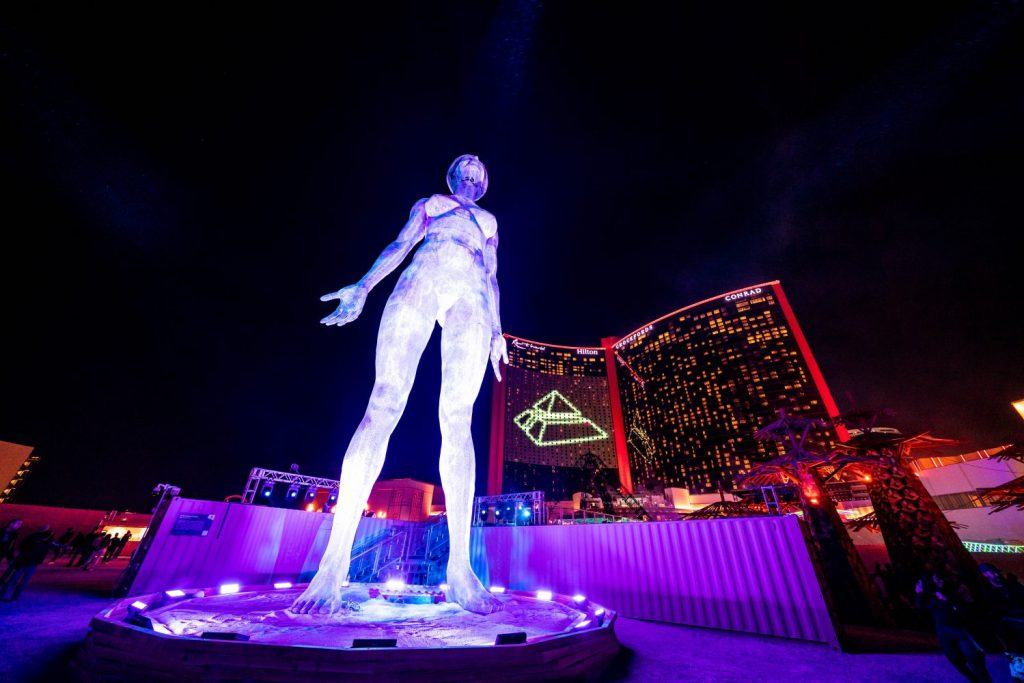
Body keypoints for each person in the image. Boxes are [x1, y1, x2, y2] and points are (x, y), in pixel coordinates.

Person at [292, 155, 506, 615]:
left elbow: (492, 277)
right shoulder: (429, 203)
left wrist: (496, 332)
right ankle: (333, 564)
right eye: (463, 168)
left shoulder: (488, 221)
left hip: (470, 299)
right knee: (384, 403)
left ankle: (460, 569)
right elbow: (400, 243)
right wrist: (364, 286)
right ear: (452, 177)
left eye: (477, 171)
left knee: (458, 418)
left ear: (484, 183)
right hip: (421, 280)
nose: (470, 173)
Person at [916, 572, 992, 682]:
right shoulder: (930, 595)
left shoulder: (953, 588)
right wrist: (919, 593)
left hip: (960, 629)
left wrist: (949, 599)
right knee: (954, 659)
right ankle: (974, 679)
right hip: (943, 631)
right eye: (936, 579)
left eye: (939, 578)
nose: (939, 580)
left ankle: (984, 680)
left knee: (975, 659)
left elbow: (968, 607)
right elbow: (921, 607)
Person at [0, 525, 53, 601]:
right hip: (33, 562)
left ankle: (4, 594)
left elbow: (23, 547)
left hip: (25, 561)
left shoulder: (32, 537)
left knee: (13, 578)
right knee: (23, 580)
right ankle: (14, 597)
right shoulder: (48, 539)